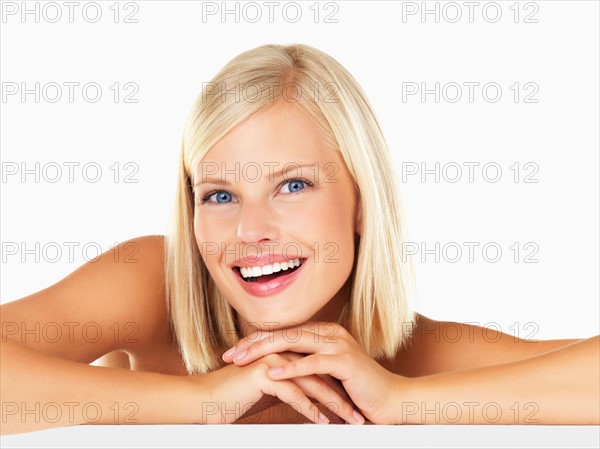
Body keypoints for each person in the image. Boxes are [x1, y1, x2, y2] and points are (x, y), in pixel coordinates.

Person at [1, 44, 598, 435]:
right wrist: (199, 403)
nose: (252, 231)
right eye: (219, 195)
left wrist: (402, 402)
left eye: (293, 185)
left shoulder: (409, 357)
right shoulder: (152, 281)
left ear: (362, 201)